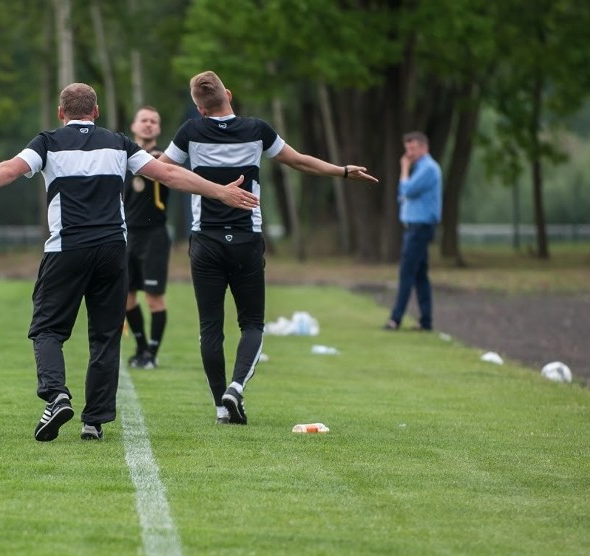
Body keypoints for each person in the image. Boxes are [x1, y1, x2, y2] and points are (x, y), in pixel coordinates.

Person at [0, 83, 259, 443]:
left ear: (61, 113)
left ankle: (56, 395)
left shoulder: (48, 142)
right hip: (113, 251)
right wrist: (221, 191)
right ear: (96, 112)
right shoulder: (119, 142)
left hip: (67, 249)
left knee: (47, 329)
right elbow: (169, 174)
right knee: (106, 336)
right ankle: (93, 422)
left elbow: (8, 170)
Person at [159, 70, 378, 425]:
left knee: (210, 329)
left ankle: (220, 406)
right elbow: (300, 161)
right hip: (246, 241)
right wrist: (342, 170)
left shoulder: (190, 132)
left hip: (206, 242)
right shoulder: (257, 130)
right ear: (228, 94)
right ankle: (236, 388)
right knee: (253, 324)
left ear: (199, 109)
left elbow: (161, 169)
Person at [123, 106, 171, 370]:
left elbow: (163, 165)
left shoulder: (162, 158)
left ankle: (152, 352)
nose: (149, 124)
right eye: (144, 120)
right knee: (127, 298)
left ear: (159, 128)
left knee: (154, 298)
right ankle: (141, 349)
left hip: (154, 236)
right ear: (134, 125)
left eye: (154, 121)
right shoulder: (122, 158)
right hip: (128, 234)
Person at [383, 131, 442, 331]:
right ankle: (426, 321)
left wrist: (404, 168)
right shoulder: (421, 169)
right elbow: (403, 194)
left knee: (406, 272)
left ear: (425, 148)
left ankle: (395, 319)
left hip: (419, 228)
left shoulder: (428, 168)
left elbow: (405, 190)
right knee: (420, 276)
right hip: (415, 228)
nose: (409, 153)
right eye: (407, 149)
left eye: (413, 148)